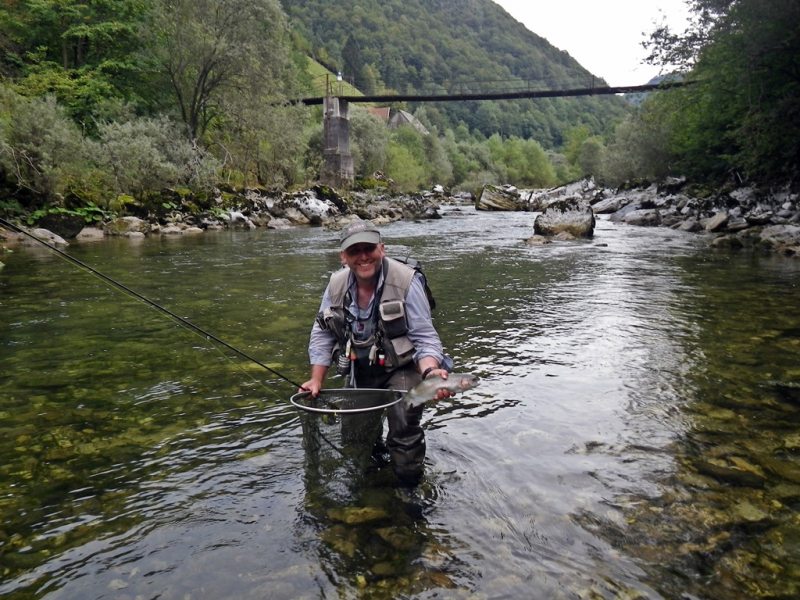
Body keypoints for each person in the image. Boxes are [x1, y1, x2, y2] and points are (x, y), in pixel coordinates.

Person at [300, 220, 452, 484]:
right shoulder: (336, 285)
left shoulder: (406, 281)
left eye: (368, 248)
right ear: (343, 257)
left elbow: (425, 338)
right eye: (354, 251)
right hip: (362, 369)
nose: (363, 256)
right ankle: (372, 484)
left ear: (382, 248)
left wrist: (430, 371)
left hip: (402, 368)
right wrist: (316, 380)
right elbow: (322, 332)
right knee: (356, 439)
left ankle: (409, 488)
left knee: (404, 425)